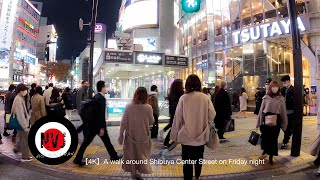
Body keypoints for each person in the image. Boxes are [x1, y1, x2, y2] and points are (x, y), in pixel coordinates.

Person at [170, 74, 216, 180]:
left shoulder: (183, 98)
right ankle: (197, 177)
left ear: (187, 85)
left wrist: (174, 135)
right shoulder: (205, 97)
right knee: (198, 159)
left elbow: (177, 118)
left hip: (186, 136)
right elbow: (212, 115)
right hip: (201, 135)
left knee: (187, 162)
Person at [73, 81, 122, 165]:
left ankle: (78, 159)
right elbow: (100, 115)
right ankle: (113, 156)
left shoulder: (96, 96)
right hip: (98, 126)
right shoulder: (101, 99)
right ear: (102, 88)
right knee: (105, 141)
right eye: (105, 86)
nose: (106, 88)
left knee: (88, 142)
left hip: (93, 125)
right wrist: (102, 128)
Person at [118, 87, 154, 179]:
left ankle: (134, 174)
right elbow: (151, 121)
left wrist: (120, 136)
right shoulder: (148, 108)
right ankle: (140, 174)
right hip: (144, 138)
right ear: (146, 96)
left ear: (135, 95)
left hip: (131, 137)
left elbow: (123, 123)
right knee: (142, 156)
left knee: (132, 156)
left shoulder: (129, 107)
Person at [256, 81, 287, 165]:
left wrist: (284, 124)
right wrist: (258, 122)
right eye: (273, 86)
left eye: (276, 86)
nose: (275, 88)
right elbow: (261, 111)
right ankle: (266, 150)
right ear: (270, 87)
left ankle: (271, 156)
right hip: (266, 121)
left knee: (273, 139)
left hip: (276, 121)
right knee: (266, 138)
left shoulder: (281, 98)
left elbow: (283, 112)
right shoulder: (266, 97)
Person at [160, 79, 184, 147]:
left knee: (172, 123)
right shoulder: (180, 92)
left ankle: (164, 132)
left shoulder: (172, 92)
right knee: (175, 125)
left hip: (172, 109)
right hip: (177, 109)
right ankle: (167, 140)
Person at [12, 84, 32, 162]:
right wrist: (25, 126)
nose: (26, 92)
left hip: (20, 123)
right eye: (25, 90)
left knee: (21, 138)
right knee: (25, 140)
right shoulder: (19, 99)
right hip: (22, 123)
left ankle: (17, 149)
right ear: (21, 91)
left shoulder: (19, 98)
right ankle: (25, 157)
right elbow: (20, 114)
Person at [280, 75, 295, 149]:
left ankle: (285, 142)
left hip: (291, 112)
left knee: (288, 127)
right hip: (283, 112)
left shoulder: (293, 89)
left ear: (289, 81)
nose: (284, 83)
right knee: (283, 126)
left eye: (285, 82)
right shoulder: (282, 89)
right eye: (283, 82)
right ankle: (288, 134)